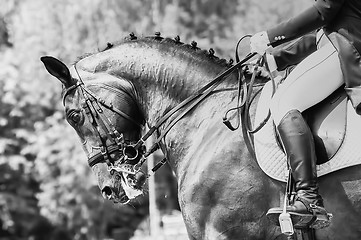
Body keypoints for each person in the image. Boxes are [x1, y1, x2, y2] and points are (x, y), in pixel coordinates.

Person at [249, 0, 361, 228]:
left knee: (283, 102)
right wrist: (276, 58)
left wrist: (270, 36)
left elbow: (324, 11)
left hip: (349, 45)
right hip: (344, 40)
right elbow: (329, 27)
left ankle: (308, 198)